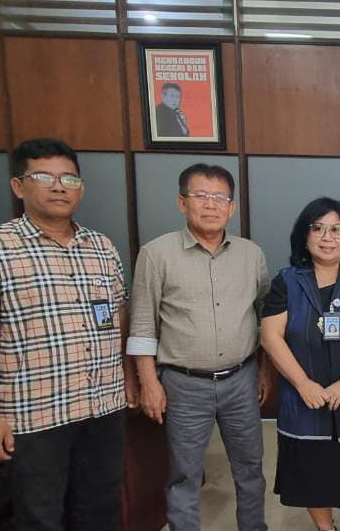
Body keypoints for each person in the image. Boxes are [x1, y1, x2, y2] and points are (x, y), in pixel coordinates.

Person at [0, 138, 138, 531]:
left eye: (69, 178)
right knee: (40, 516)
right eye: (44, 177)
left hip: (102, 407)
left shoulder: (100, 247)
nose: (59, 186)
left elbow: (119, 316)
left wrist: (128, 377)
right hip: (35, 417)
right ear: (19, 186)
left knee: (100, 509)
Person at [127, 164, 269, 531]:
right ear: (181, 202)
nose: (211, 205)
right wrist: (149, 382)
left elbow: (264, 319)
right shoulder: (156, 254)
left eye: (220, 197)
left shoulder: (251, 255)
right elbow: (142, 324)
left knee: (251, 469)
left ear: (231, 207)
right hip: (183, 384)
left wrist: (263, 371)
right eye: (200, 196)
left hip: (242, 378)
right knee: (185, 474)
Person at [260, 197, 340, 531]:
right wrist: (303, 384)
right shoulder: (287, 281)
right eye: (318, 228)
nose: (327, 237)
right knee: (312, 476)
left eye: (337, 229)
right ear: (305, 235)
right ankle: (325, 528)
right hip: (303, 399)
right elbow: (271, 336)